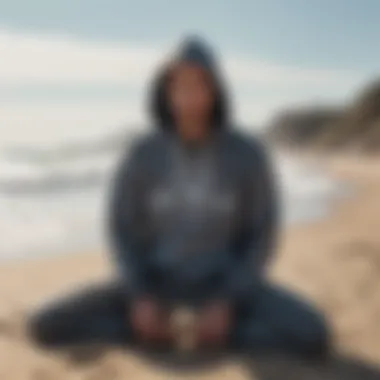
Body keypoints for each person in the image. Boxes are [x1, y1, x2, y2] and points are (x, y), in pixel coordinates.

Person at [28, 36, 330, 357]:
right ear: (166, 92)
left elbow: (261, 236)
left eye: (200, 85)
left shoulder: (248, 155)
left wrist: (227, 300)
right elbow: (122, 230)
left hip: (223, 285)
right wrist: (140, 295)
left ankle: (225, 335)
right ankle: (138, 330)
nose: (190, 96)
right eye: (180, 86)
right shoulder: (141, 155)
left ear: (216, 91)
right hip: (156, 283)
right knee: (45, 325)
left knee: (312, 334)